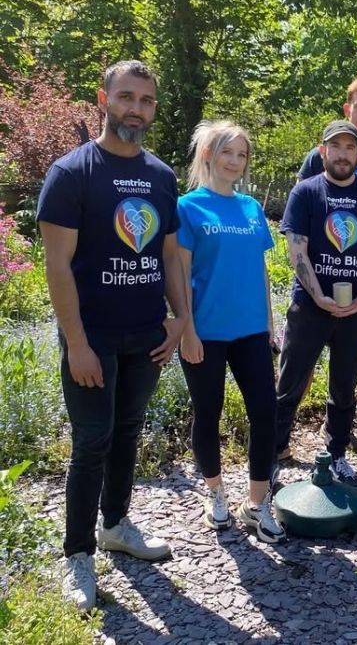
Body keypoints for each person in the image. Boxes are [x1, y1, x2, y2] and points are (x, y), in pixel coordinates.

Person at [37, 60, 189, 611]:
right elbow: (57, 265)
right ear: (103, 99)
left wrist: (180, 321)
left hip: (145, 333)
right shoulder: (72, 172)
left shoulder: (161, 175)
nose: (136, 109)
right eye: (126, 97)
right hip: (93, 337)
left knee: (128, 432)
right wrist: (76, 342)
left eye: (146, 101)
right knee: (91, 443)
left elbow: (170, 255)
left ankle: (117, 524)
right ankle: (77, 554)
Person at [176, 120, 284, 543]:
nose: (235, 162)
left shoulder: (251, 208)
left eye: (241, 155)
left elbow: (259, 271)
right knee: (208, 413)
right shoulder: (188, 207)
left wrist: (271, 324)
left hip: (251, 331)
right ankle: (216, 493)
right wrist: (186, 330)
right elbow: (180, 273)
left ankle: (257, 505)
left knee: (264, 412)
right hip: (206, 332)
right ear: (208, 155)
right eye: (227, 153)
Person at [275, 120, 357, 488]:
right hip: (310, 306)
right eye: (335, 146)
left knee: (344, 387)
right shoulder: (307, 192)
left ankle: (338, 453)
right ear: (323, 150)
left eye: (349, 147)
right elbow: (296, 250)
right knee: (289, 385)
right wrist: (319, 296)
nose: (342, 153)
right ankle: (272, 455)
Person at [290, 75, 357, 454]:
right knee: (297, 369)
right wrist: (315, 291)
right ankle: (278, 442)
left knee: (346, 374)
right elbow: (301, 222)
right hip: (313, 289)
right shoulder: (313, 169)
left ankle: (335, 439)